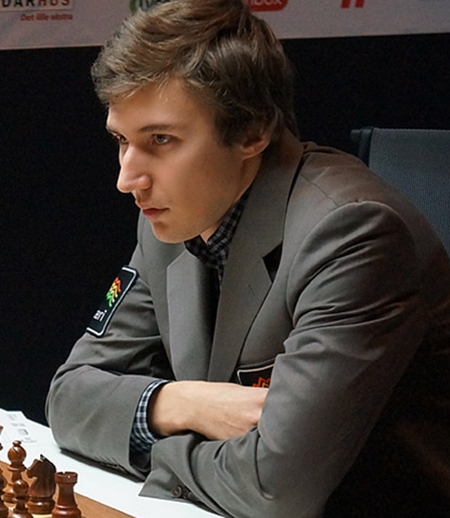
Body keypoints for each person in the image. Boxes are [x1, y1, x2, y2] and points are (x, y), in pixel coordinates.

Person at [46, 1, 450, 517]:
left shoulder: (352, 234)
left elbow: (275, 489)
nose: (128, 179)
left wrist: (145, 446)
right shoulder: (170, 222)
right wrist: (180, 403)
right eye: (122, 140)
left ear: (253, 133)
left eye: (161, 140)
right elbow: (69, 396)